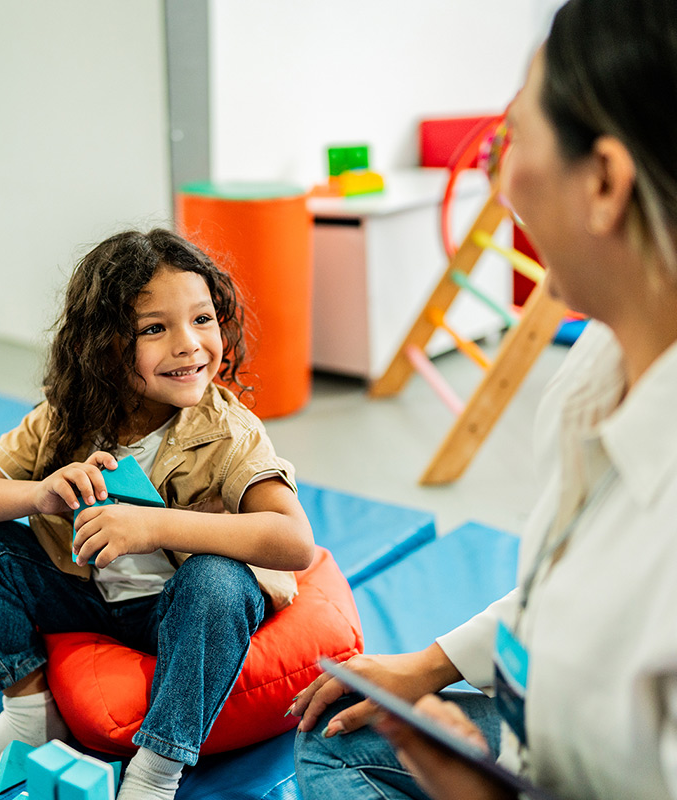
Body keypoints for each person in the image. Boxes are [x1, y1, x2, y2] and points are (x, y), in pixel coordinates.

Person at [292, 0, 677, 798]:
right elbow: (567, 587)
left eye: (515, 139)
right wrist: (425, 666)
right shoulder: (600, 367)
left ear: (604, 182)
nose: (504, 183)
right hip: (545, 724)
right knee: (335, 741)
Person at [0, 227, 314, 800]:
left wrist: (154, 527)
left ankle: (157, 768)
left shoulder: (230, 433)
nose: (189, 345)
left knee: (218, 581)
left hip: (178, 610)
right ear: (103, 345)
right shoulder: (66, 417)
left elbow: (295, 542)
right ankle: (28, 721)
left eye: (202, 319)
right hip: (87, 597)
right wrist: (40, 495)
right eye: (155, 329)